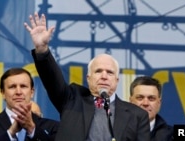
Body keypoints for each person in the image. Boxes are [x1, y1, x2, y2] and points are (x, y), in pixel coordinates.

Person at [24, 12, 150, 141]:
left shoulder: (137, 115)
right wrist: (42, 49)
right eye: (98, 71)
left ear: (117, 81)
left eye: (110, 72)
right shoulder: (72, 100)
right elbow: (51, 79)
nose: (104, 76)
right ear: (88, 78)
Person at [0, 68, 59, 141]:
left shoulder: (53, 127)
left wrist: (32, 129)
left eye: (23, 86)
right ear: (3, 93)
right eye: (12, 87)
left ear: (32, 92)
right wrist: (10, 133)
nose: (18, 92)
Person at [129, 76, 173, 141]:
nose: (145, 103)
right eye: (140, 98)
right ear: (130, 101)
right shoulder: (114, 131)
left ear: (159, 103)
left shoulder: (172, 136)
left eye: (151, 98)